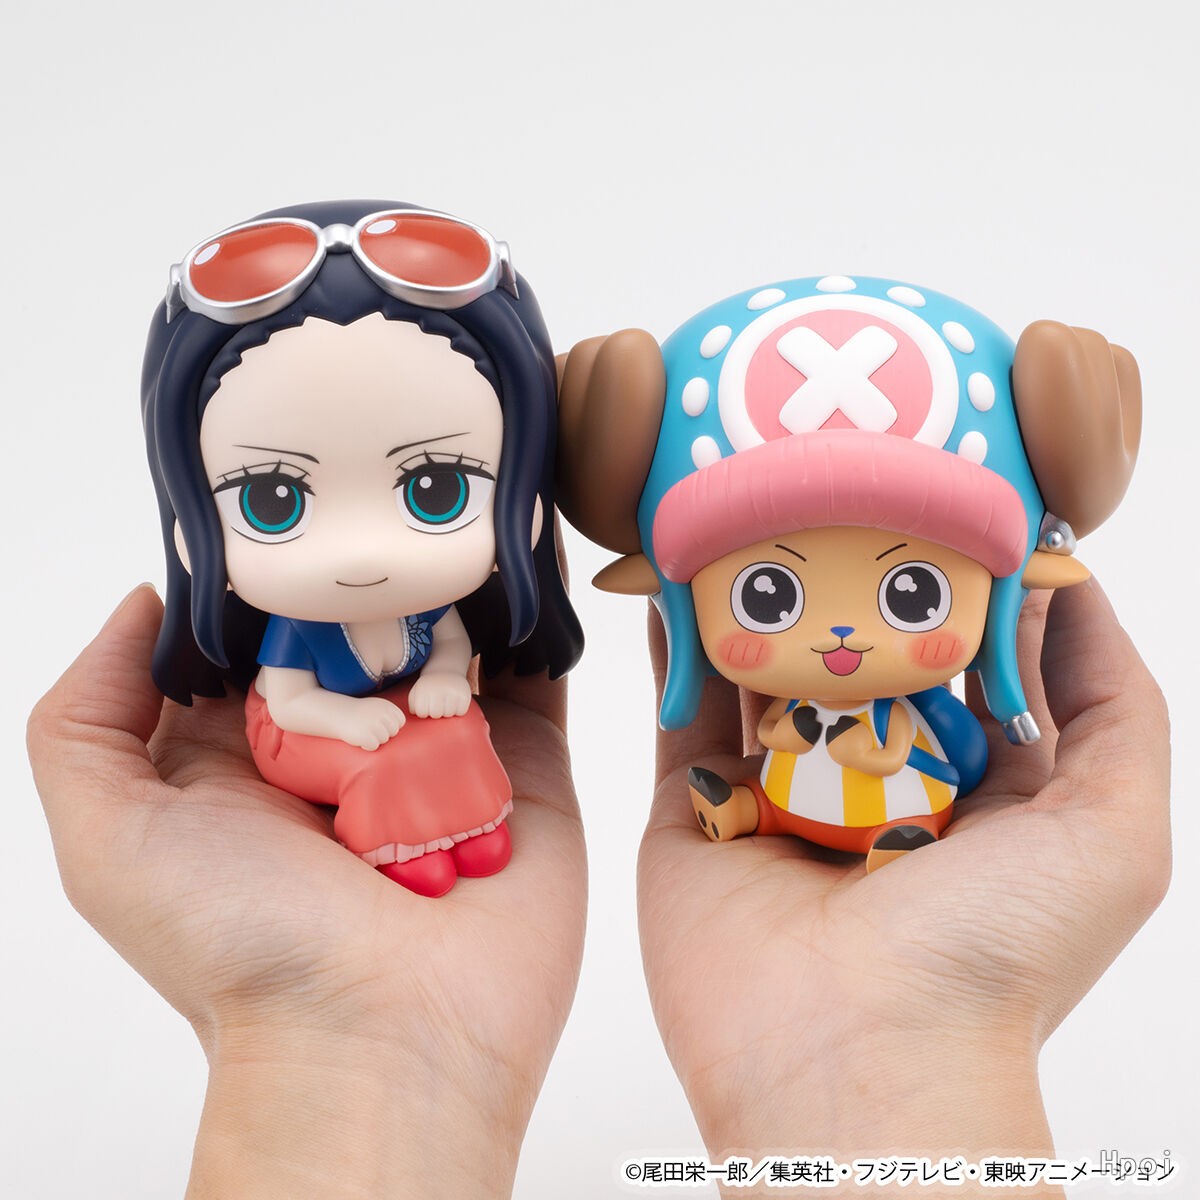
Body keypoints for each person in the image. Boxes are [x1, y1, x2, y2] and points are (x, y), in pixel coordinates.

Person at [27, 569, 1168, 1196]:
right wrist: (332, 1040)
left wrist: (907, 1042)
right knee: (750, 787)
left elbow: (960, 751)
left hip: (884, 796)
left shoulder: (906, 710)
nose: (835, 636)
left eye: (909, 595)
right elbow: (300, 697)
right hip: (760, 783)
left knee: (465, 760)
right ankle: (743, 810)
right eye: (775, 597)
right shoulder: (297, 630)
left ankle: (874, 840)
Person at [141, 200, 582, 897]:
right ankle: (396, 846)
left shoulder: (427, 608)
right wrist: (344, 719)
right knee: (376, 764)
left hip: (394, 710)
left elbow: (449, 647)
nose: (360, 553)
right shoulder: (301, 627)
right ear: (189, 530)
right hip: (304, 732)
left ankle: (476, 826)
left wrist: (445, 677)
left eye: (436, 488)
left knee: (463, 729)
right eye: (272, 500)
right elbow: (289, 703)